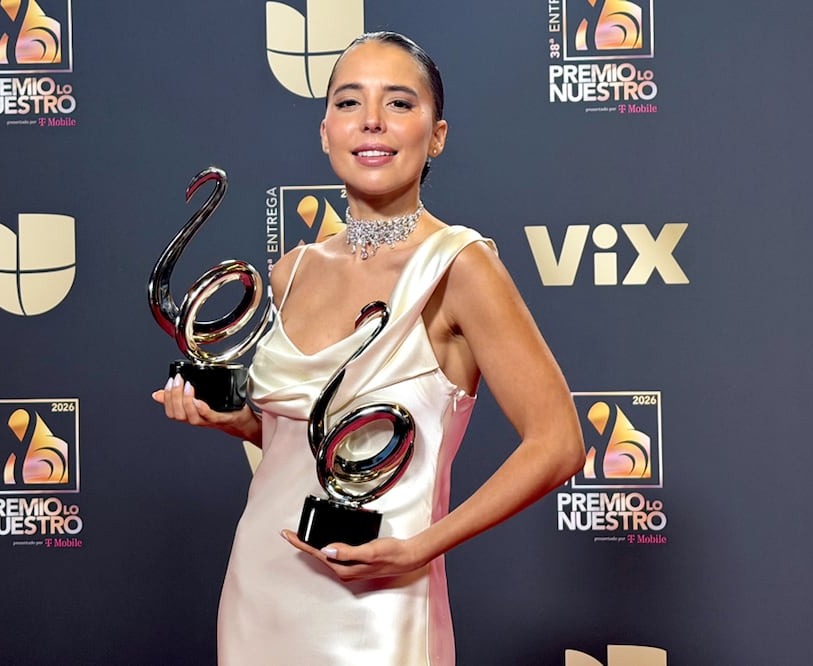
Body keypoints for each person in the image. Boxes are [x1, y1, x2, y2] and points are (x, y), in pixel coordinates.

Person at [153, 31, 585, 665]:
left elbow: (559, 442)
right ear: (325, 130)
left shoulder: (460, 267)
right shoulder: (292, 270)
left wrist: (422, 547)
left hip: (380, 601)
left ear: (436, 134)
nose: (372, 122)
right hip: (260, 587)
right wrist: (237, 421)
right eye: (350, 102)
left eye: (400, 103)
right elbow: (305, 444)